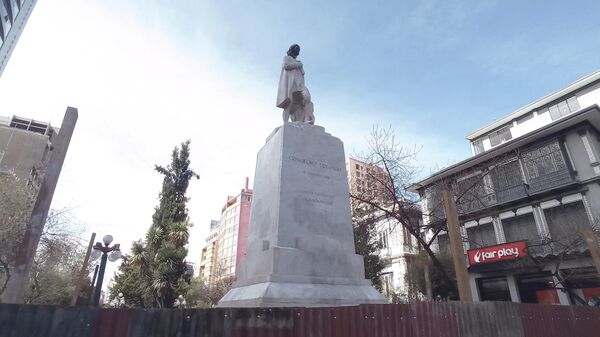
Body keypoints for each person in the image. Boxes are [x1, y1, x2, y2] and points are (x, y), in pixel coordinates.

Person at [276, 44, 315, 124]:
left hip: (300, 85)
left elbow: (303, 73)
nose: (297, 51)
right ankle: (286, 123)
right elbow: (286, 66)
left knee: (307, 97)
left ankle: (308, 118)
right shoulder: (287, 58)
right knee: (289, 104)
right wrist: (298, 65)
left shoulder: (299, 62)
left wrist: (300, 65)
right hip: (291, 84)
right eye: (296, 49)